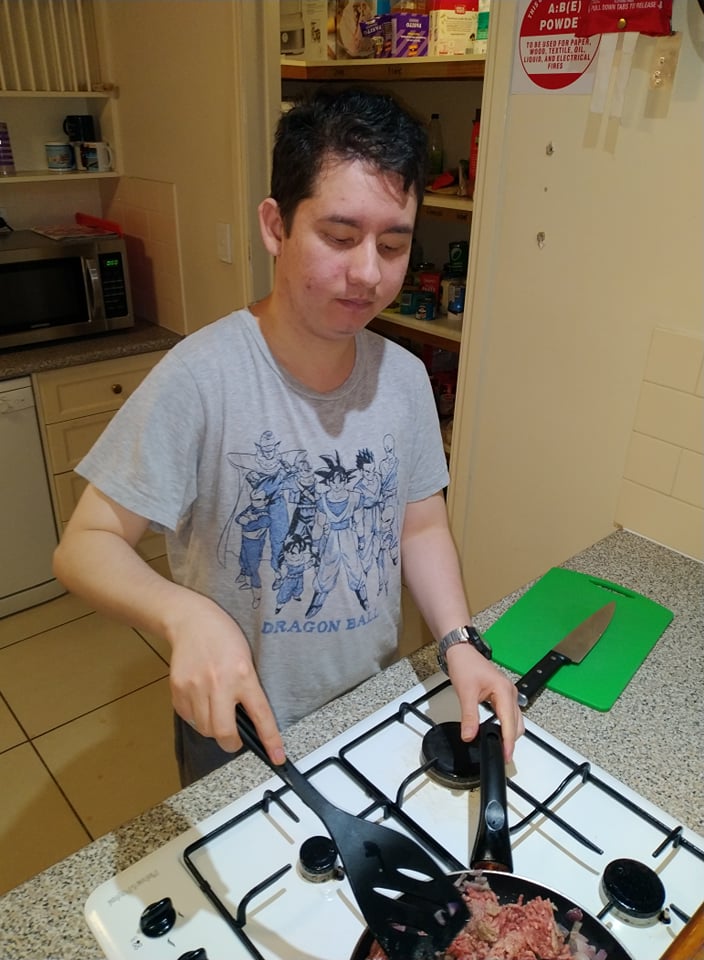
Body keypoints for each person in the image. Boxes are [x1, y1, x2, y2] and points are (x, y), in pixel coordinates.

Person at [53, 87, 524, 787]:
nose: (367, 272)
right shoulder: (202, 377)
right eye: (339, 237)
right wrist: (182, 614)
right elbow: (84, 547)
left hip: (369, 701)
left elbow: (419, 528)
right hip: (236, 722)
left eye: (393, 244)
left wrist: (459, 642)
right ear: (275, 226)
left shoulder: (403, 377)